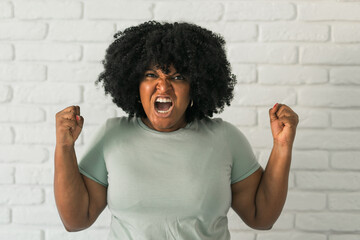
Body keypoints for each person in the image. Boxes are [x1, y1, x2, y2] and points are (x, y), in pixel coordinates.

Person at [54, 21, 299, 240]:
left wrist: (282, 146)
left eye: (178, 76)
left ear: (196, 86)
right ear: (135, 85)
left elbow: (261, 217)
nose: (163, 86)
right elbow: (75, 221)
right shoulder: (112, 136)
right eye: (151, 75)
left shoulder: (225, 139)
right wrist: (64, 148)